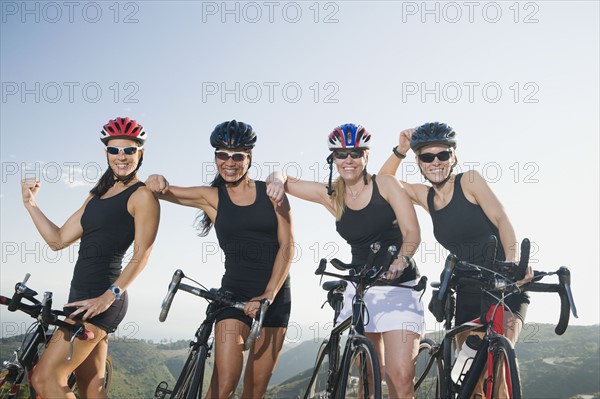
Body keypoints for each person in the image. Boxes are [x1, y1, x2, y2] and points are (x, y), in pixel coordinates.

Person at [267, 123, 423, 399]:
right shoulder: (332, 196)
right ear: (333, 159)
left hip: (398, 287)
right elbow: (285, 179)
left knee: (400, 378)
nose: (348, 159)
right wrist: (276, 179)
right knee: (367, 375)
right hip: (361, 289)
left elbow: (412, 231)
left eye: (354, 152)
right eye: (340, 154)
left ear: (366, 156)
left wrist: (401, 260)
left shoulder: (385, 184)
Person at [379, 121, 532, 397]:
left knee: (494, 367)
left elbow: (502, 219)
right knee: (469, 379)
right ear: (419, 162)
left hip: (503, 283)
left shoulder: (469, 181)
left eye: (443, 155)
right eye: (427, 157)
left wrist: (511, 262)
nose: (435, 162)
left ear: (454, 157)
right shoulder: (425, 196)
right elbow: (384, 181)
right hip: (467, 288)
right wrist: (400, 150)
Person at [145, 120, 293, 399]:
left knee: (254, 392)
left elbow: (288, 247)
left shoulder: (272, 195)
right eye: (222, 154)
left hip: (274, 298)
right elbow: (163, 191)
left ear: (249, 158)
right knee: (223, 386)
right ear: (215, 157)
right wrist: (154, 179)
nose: (229, 162)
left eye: (237, 156)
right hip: (232, 297)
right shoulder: (211, 197)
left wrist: (268, 295)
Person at [21, 117, 160, 399]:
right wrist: (30, 203)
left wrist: (109, 295)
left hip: (103, 299)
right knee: (91, 386)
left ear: (140, 153)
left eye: (129, 150)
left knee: (45, 378)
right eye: (114, 150)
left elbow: (143, 252)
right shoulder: (96, 196)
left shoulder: (142, 195)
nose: (122, 156)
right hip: (80, 296)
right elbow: (57, 240)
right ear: (106, 153)